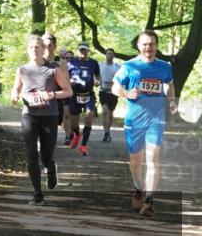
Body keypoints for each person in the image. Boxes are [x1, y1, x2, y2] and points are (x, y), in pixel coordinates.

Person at [112, 30, 178, 218]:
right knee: (135, 161)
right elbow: (115, 86)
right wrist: (127, 93)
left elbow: (169, 84)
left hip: (156, 118)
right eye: (145, 44)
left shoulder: (165, 66)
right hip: (135, 119)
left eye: (152, 43)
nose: (148, 47)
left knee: (153, 158)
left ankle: (149, 200)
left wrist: (171, 100)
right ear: (139, 46)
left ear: (157, 45)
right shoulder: (129, 66)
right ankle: (138, 187)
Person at [11, 34, 73, 205]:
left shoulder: (53, 69)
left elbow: (68, 91)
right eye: (31, 48)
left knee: (45, 156)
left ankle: (50, 166)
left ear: (44, 50)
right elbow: (16, 89)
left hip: (49, 116)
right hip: (29, 115)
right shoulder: (22, 69)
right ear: (27, 50)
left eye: (37, 48)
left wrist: (51, 94)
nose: (34, 51)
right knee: (31, 153)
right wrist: (15, 96)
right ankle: (37, 193)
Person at [67, 42, 100, 155]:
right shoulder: (71, 62)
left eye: (84, 50)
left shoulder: (94, 63)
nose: (82, 52)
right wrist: (69, 81)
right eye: (81, 50)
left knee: (89, 117)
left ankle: (83, 145)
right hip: (75, 95)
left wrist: (97, 81)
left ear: (88, 51)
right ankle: (77, 133)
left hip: (88, 95)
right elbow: (65, 77)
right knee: (74, 123)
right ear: (78, 51)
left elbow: (98, 76)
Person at [98, 47, 121, 141]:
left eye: (111, 54)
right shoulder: (100, 65)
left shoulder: (117, 66)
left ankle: (108, 131)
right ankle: (106, 133)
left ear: (114, 56)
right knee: (104, 112)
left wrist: (115, 83)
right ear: (105, 55)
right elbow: (96, 77)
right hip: (103, 91)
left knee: (111, 113)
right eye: (108, 53)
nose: (109, 55)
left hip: (113, 92)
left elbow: (121, 80)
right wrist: (96, 81)